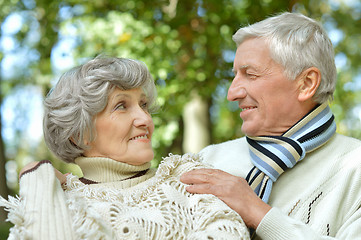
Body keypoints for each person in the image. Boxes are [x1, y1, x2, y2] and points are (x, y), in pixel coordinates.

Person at [0, 56, 250, 239]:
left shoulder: (188, 179)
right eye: (121, 106)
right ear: (79, 133)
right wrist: (37, 179)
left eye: (143, 104)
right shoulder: (61, 200)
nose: (145, 119)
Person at [181, 12, 361, 239]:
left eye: (250, 74)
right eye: (234, 76)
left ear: (306, 84)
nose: (232, 93)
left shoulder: (356, 169)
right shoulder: (207, 160)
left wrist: (257, 212)